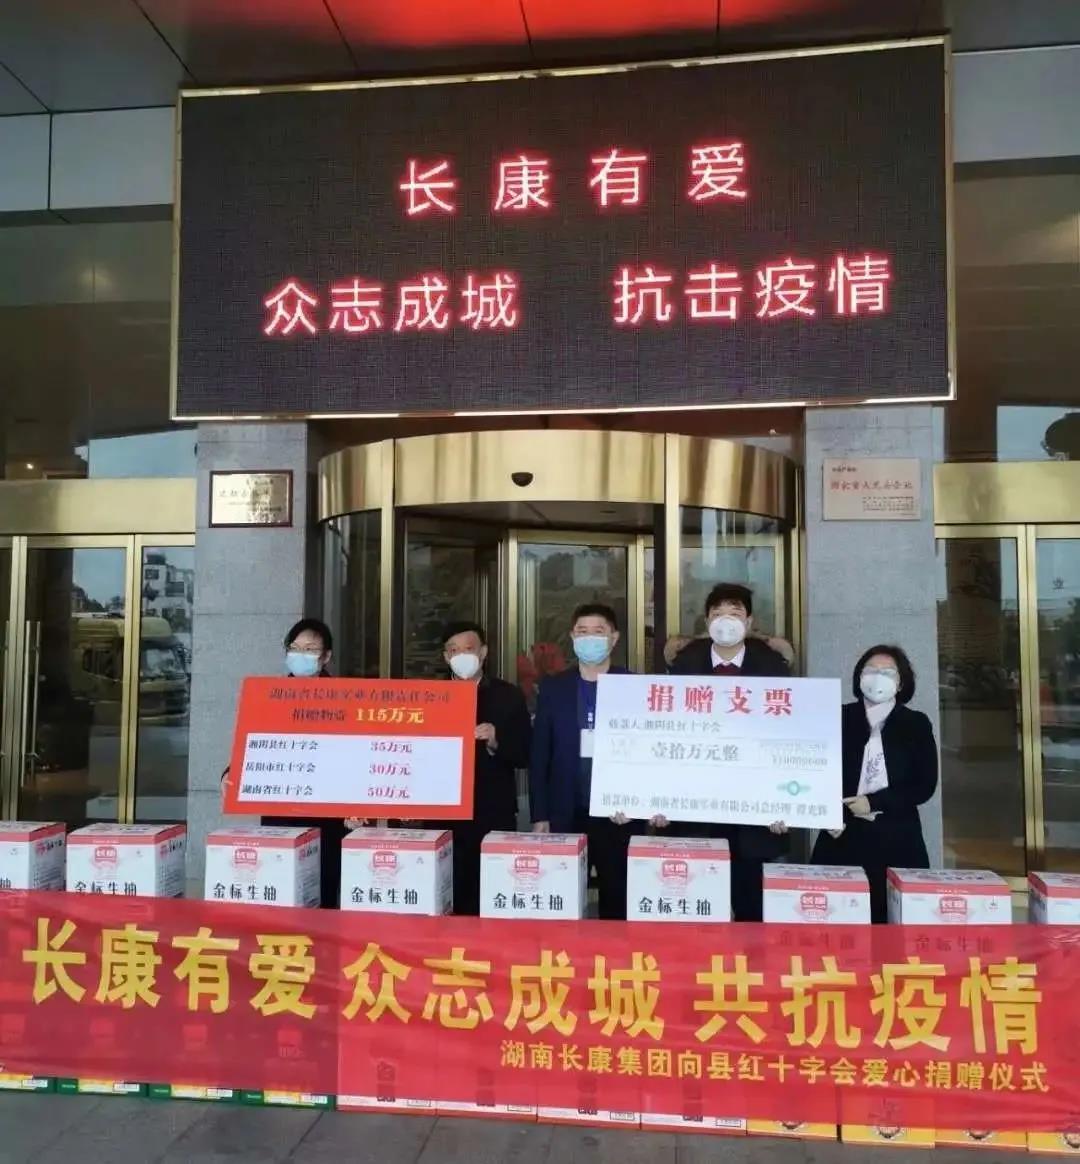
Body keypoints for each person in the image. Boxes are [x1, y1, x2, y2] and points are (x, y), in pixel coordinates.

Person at [667, 582, 790, 922]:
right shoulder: (683, 665)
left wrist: (786, 803)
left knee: (751, 908)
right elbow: (664, 737)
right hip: (697, 810)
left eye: (735, 613)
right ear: (707, 621)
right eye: (717, 613)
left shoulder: (773, 667)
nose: (726, 620)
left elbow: (787, 739)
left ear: (749, 622)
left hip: (755, 814)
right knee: (699, 907)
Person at [812, 645, 938, 923]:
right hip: (841, 837)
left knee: (892, 925)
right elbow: (815, 772)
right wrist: (827, 812)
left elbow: (924, 784)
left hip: (897, 839)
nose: (878, 676)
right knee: (835, 922)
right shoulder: (837, 717)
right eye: (871, 670)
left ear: (901, 682)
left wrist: (874, 802)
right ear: (859, 677)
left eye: (888, 672)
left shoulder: (915, 724)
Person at [530, 603, 639, 920]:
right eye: (582, 631)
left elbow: (646, 753)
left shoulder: (634, 686)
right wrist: (540, 813)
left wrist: (639, 802)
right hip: (566, 809)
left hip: (618, 813)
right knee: (563, 898)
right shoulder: (554, 687)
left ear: (614, 638)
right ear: (572, 637)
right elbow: (540, 754)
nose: (589, 638)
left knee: (617, 897)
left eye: (598, 631)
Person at [440, 620, 532, 916]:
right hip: (442, 815)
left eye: (468, 649)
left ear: (483, 652)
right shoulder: (431, 696)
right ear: (445, 657)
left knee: (491, 895)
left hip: (492, 810)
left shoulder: (508, 696)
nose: (461, 656)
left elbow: (525, 754)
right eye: (453, 650)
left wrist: (496, 741)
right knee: (446, 895)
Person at [262, 618, 350, 909]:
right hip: (280, 812)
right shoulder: (269, 697)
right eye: (295, 648)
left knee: (321, 894)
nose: (300, 655)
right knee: (280, 894)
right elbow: (250, 746)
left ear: (326, 657)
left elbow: (356, 756)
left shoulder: (345, 700)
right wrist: (230, 773)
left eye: (310, 649)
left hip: (326, 816)